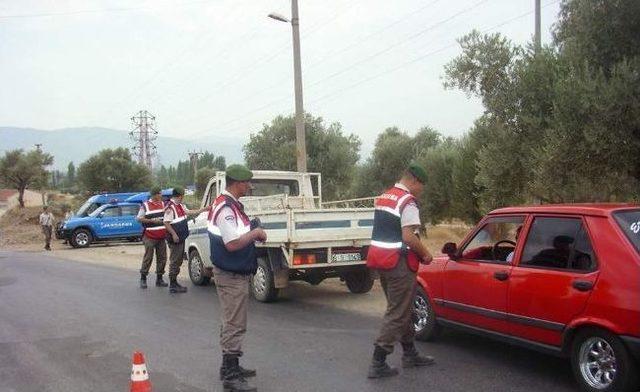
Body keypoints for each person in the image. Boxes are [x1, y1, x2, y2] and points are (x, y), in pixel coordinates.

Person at [366, 163, 435, 379]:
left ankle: (410, 353)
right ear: (414, 181)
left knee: (402, 308)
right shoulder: (408, 202)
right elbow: (408, 236)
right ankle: (378, 361)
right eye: (421, 185)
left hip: (381, 261)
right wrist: (426, 254)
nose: (421, 190)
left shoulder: (386, 196)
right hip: (399, 263)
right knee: (397, 312)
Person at [207, 164, 267, 392]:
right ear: (237, 183)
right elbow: (232, 243)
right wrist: (256, 233)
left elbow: (235, 234)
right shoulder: (225, 208)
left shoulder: (230, 205)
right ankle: (231, 376)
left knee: (233, 321)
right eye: (247, 182)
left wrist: (251, 227)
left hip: (234, 272)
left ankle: (230, 366)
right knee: (234, 323)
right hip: (230, 275)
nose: (250, 186)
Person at [163, 186, 208, 294]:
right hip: (175, 239)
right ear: (180, 196)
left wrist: (203, 210)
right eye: (183, 195)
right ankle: (173, 284)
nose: (183, 197)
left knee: (178, 260)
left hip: (181, 237)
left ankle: (175, 283)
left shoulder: (180, 206)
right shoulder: (170, 207)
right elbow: (166, 222)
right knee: (175, 261)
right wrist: (174, 234)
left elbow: (189, 212)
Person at [136, 186, 168, 289]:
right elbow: (139, 219)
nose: (161, 195)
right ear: (155, 195)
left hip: (161, 237)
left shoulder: (163, 204)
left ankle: (159, 278)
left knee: (162, 258)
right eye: (160, 193)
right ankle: (143, 278)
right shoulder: (145, 205)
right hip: (149, 236)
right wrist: (152, 221)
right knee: (148, 257)